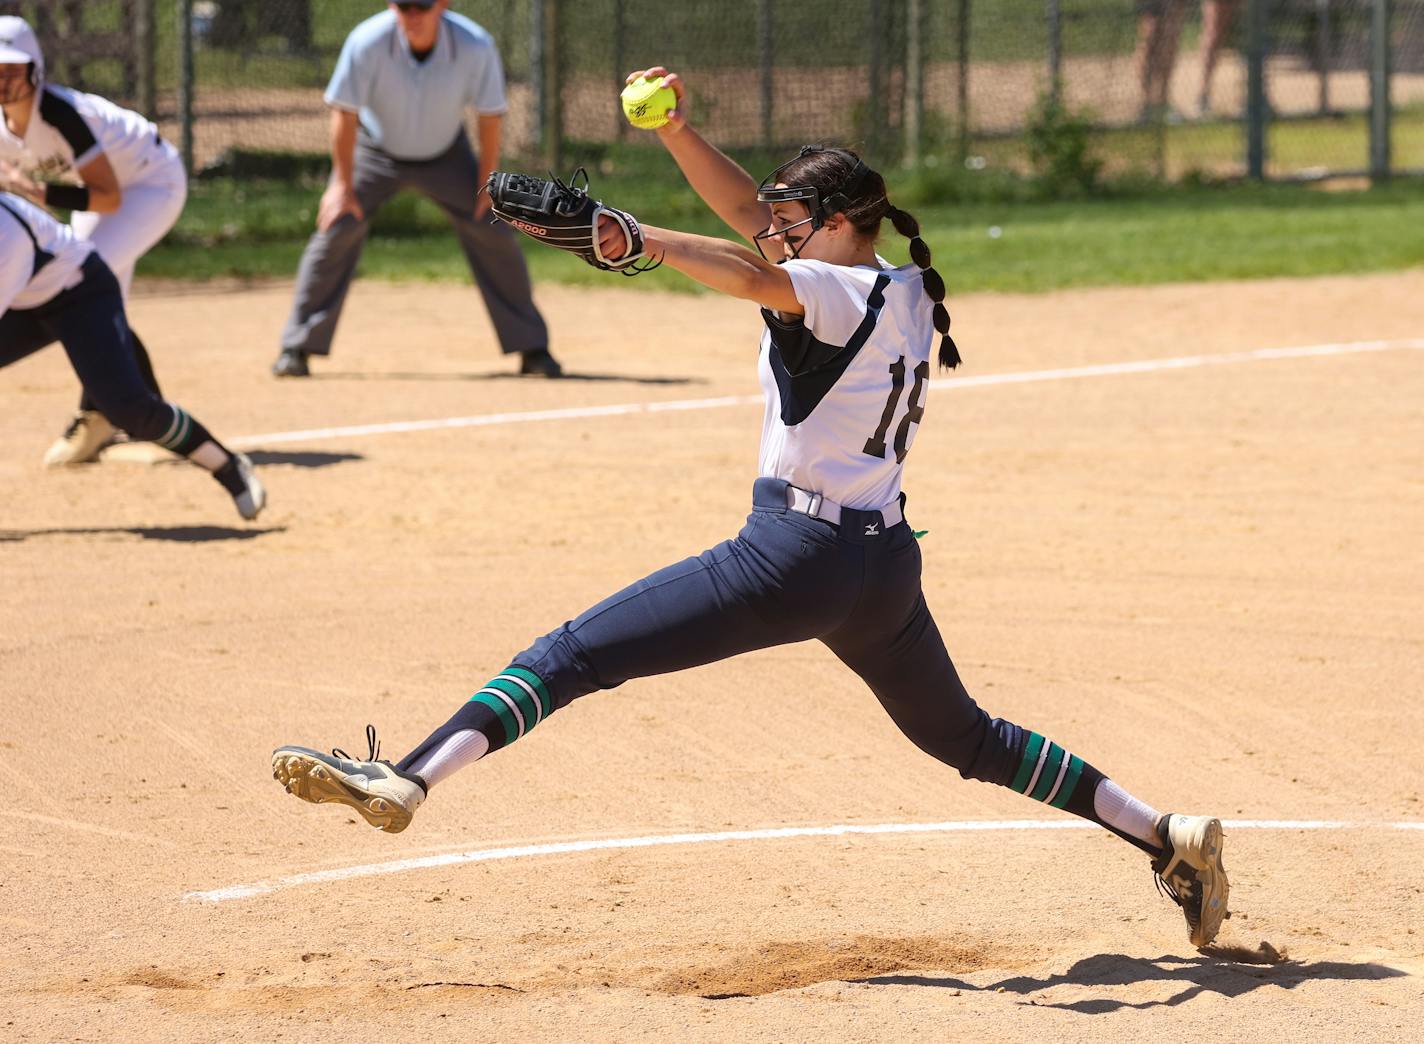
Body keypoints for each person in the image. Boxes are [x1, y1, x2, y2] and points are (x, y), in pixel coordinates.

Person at [271, 65, 1230, 948]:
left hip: (792, 559)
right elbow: (750, 228)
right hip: (882, 571)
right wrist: (679, 133)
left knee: (568, 656)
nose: (771, 227)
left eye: (792, 217)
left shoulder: (819, 286)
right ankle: (1168, 836)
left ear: (843, 222)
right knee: (967, 738)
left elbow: (750, 271)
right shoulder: (900, 290)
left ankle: (409, 775)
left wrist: (633, 234)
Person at [272, 0, 559, 379]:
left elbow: (490, 115)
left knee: (492, 225)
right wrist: (341, 185)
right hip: (376, 152)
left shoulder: (475, 44)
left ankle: (532, 347)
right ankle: (297, 345)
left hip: (447, 154)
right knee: (337, 224)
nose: (411, 15)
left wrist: (487, 184)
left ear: (443, 4)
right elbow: (344, 112)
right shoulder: (367, 41)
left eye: (421, 5)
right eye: (402, 5)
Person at [1, 191, 265, 520]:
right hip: (24, 300)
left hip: (80, 297)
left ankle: (227, 466)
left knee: (129, 410)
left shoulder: (5, 235)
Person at [0, 15, 189, 466]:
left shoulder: (62, 115)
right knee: (95, 295)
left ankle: (139, 414)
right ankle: (110, 413)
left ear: (37, 70)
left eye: (13, 69)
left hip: (150, 184)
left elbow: (107, 197)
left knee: (83, 286)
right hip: (101, 194)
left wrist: (36, 191)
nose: (3, 80)